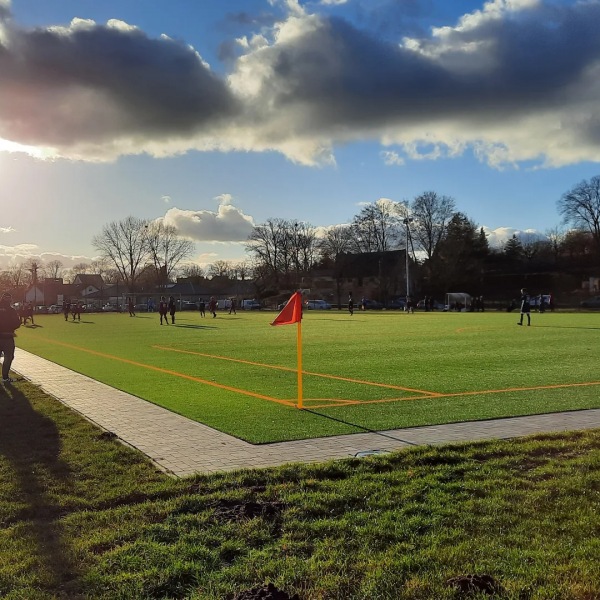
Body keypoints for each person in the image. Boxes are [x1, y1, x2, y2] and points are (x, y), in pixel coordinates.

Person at [0, 292, 21, 384]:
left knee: (8, 357)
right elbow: (17, 323)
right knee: (9, 357)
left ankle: (4, 377)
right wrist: (10, 328)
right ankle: (5, 377)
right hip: (7, 336)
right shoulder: (11, 310)